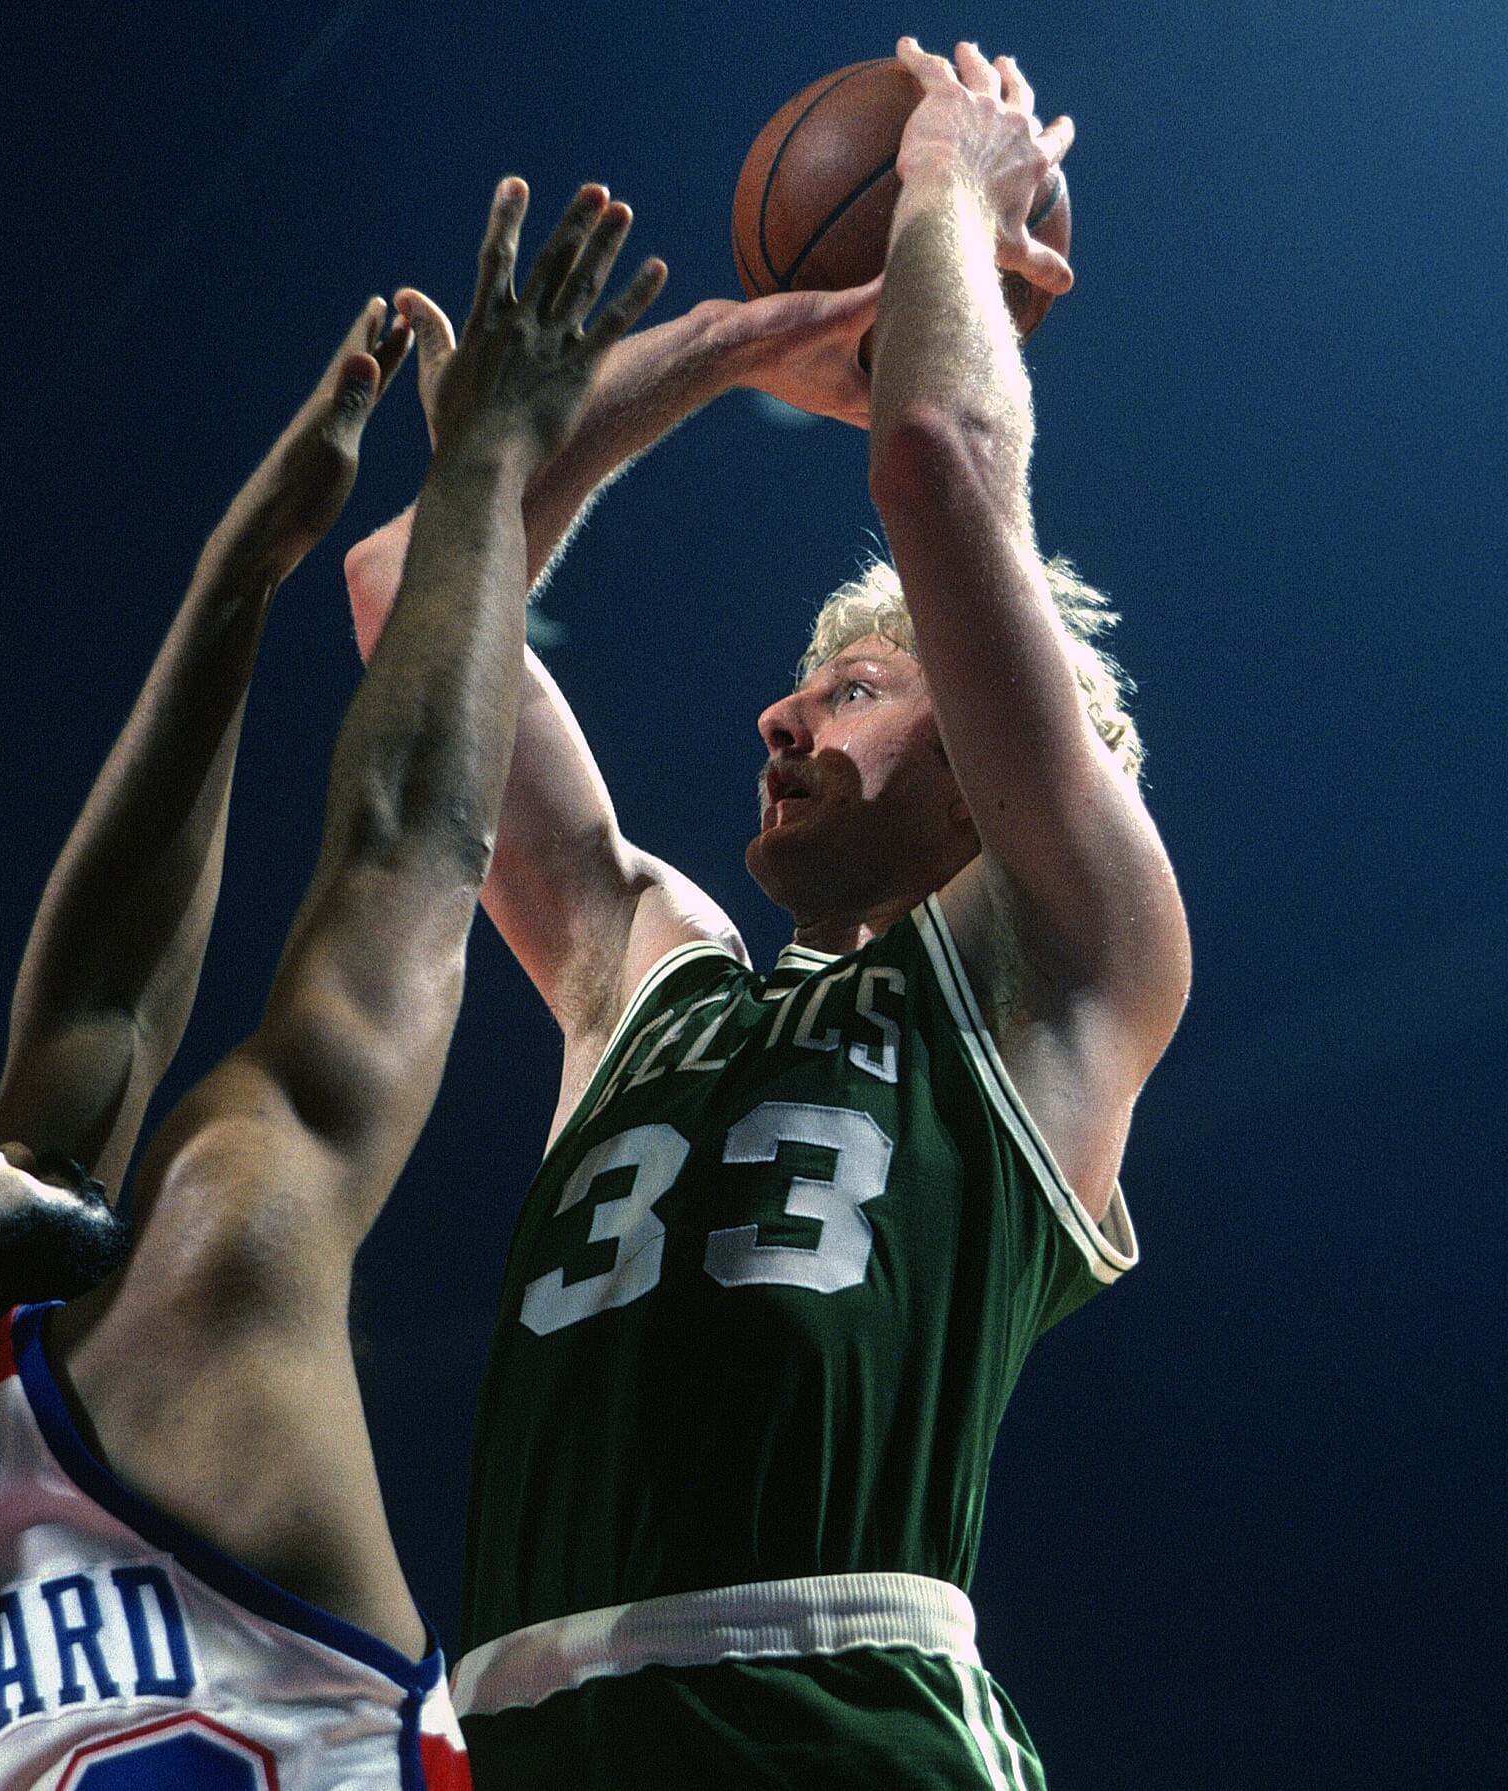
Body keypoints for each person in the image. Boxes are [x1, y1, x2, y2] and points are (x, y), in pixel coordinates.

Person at [0, 178, 665, 1791]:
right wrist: (486, 454)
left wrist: (238, 579)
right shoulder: (205, 1296)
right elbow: (404, 853)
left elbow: (92, 1020)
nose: (25, 1134)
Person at [341, 40, 1190, 1790]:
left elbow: (940, 455)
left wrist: (949, 177)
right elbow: (405, 597)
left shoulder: (1053, 977)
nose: (780, 718)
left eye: (862, 687)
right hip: (517, 1730)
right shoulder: (644, 980)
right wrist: (741, 344)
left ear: (990, 757)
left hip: (834, 1724)